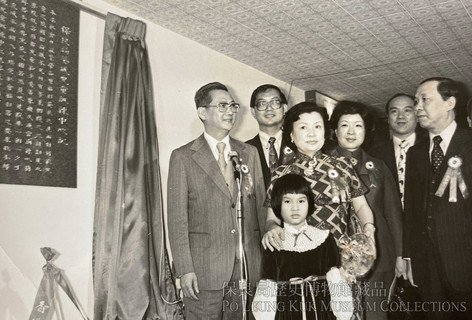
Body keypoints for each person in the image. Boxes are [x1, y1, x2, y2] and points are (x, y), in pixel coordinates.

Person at [167, 82, 267, 319]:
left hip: (245, 266)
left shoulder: (249, 153)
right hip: (203, 269)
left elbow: (261, 208)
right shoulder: (183, 157)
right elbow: (177, 219)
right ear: (202, 113)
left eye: (233, 105)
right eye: (222, 105)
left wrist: (265, 265)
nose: (231, 111)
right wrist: (185, 269)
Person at [329, 101, 406, 320]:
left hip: (378, 254)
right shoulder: (323, 165)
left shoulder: (379, 166)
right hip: (335, 257)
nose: (351, 132)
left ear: (366, 130)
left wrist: (401, 255)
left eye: (358, 125)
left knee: (375, 314)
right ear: (335, 130)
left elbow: (393, 214)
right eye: (345, 125)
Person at [261, 102, 375, 249]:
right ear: (291, 134)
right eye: (303, 127)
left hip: (342, 252)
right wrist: (272, 228)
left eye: (317, 126)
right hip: (300, 254)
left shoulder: (342, 166)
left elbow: (361, 206)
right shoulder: (281, 174)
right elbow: (272, 219)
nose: (312, 133)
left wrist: (369, 228)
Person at [404, 77, 472, 320]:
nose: (417, 107)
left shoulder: (469, 144)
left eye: (425, 99)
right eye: (416, 101)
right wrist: (409, 256)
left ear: (450, 103)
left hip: (465, 263)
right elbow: (411, 210)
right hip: (427, 268)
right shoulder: (415, 153)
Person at [252, 173, 353, 320]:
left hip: (321, 312)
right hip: (286, 313)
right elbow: (268, 287)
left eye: (301, 201)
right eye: (287, 201)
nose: (295, 208)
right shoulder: (272, 242)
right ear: (277, 204)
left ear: (309, 203)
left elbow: (335, 282)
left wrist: (343, 314)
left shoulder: (324, 238)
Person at [369, 94, 428, 207]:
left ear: (417, 115)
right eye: (394, 111)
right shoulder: (374, 154)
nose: (401, 116)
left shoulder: (430, 148)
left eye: (407, 110)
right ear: (388, 118)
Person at [246, 84, 288, 189]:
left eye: (275, 102)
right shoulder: (244, 150)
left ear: (284, 108)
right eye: (262, 104)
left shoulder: (298, 144)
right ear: (253, 112)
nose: (269, 108)